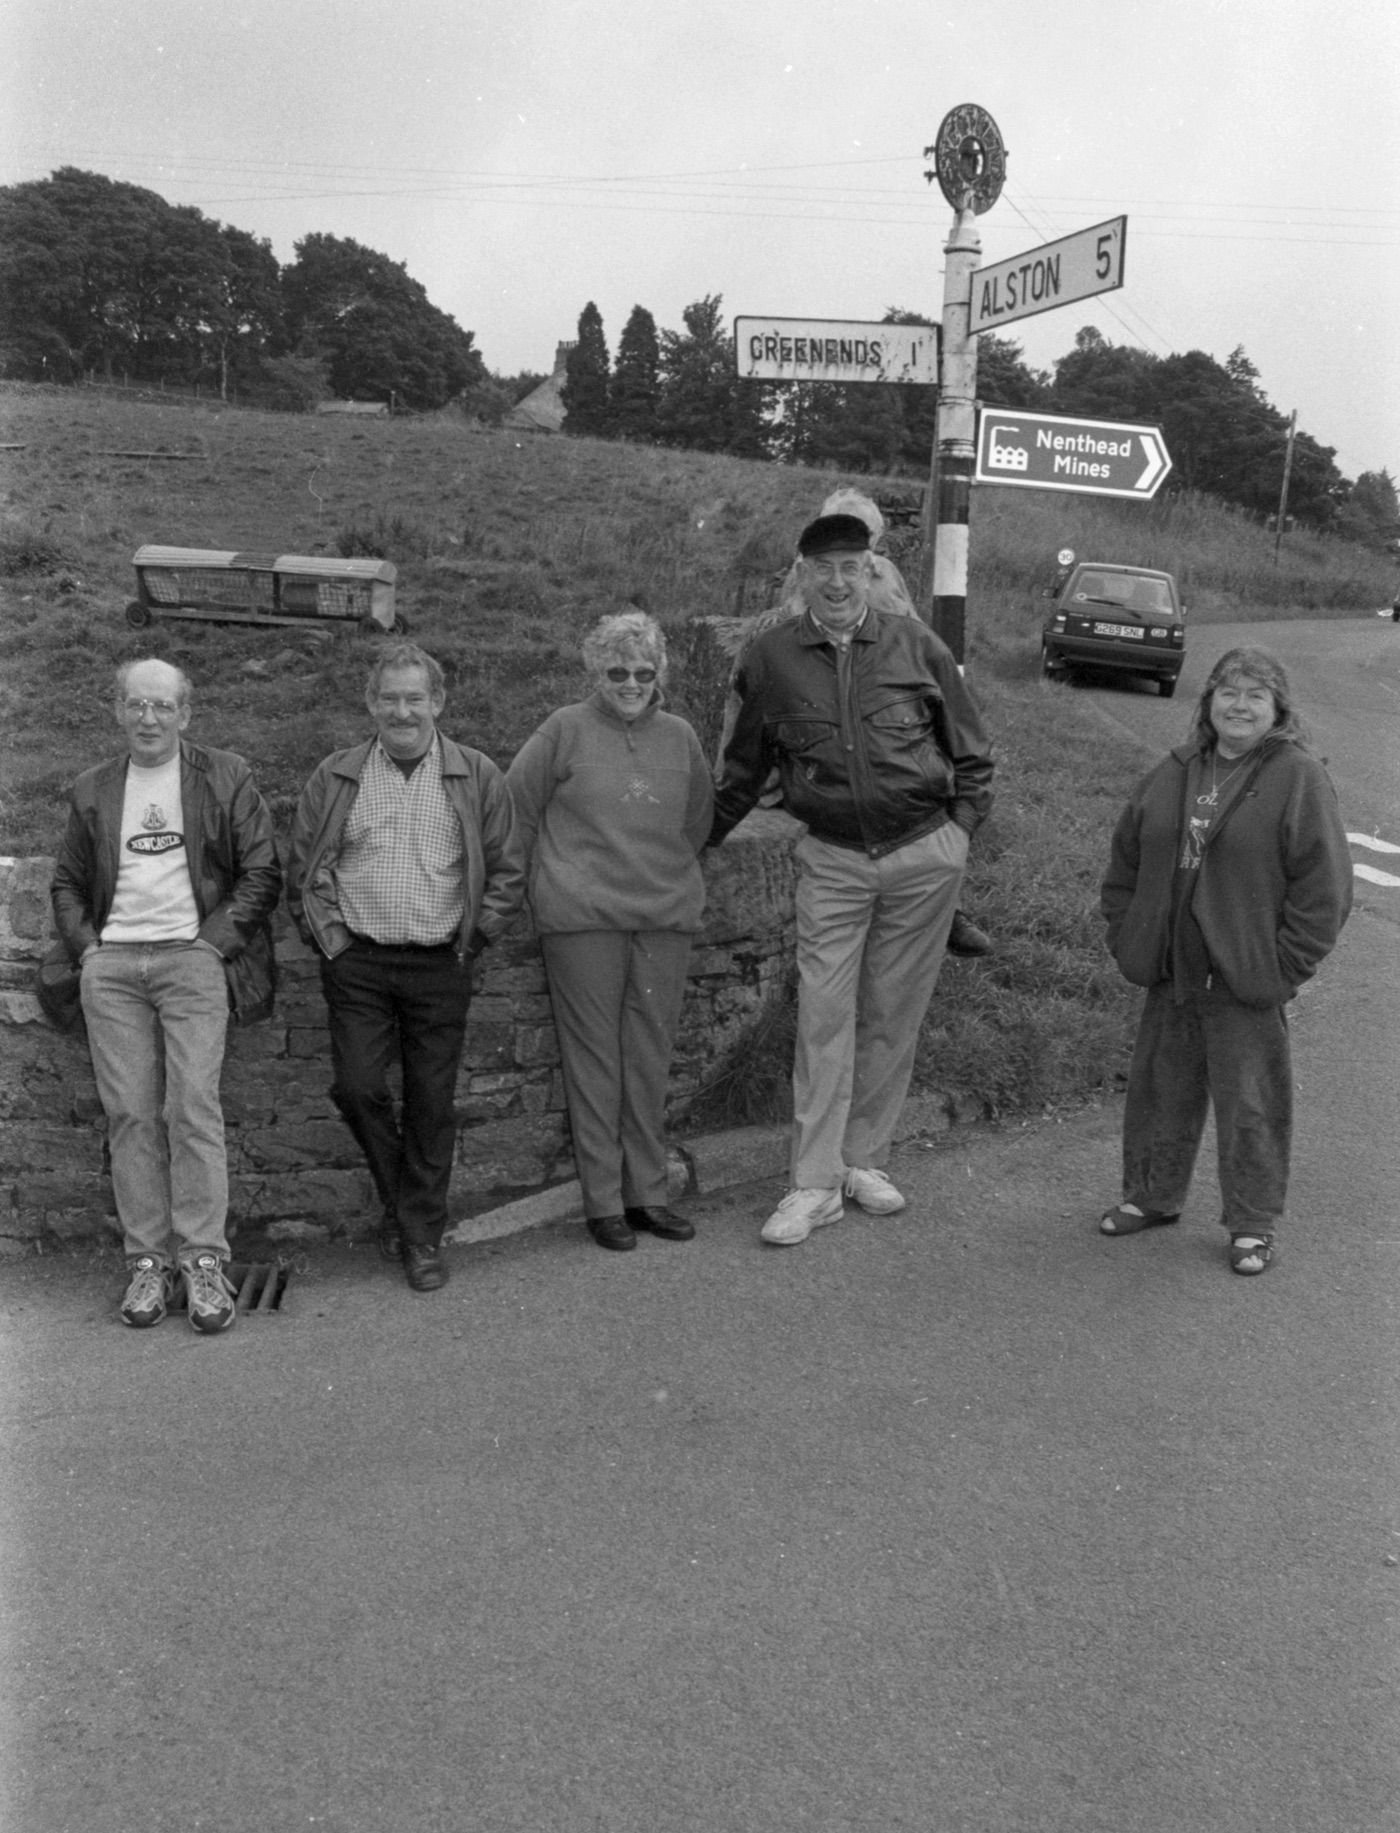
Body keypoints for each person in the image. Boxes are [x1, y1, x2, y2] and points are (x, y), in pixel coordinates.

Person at [710, 511, 995, 1246]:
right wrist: (693, 844)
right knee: (824, 1015)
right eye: (822, 569)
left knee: (892, 1012)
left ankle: (863, 1160)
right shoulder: (770, 658)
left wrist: (958, 835)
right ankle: (813, 1183)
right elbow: (742, 771)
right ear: (801, 576)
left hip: (923, 853)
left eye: (850, 567)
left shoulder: (917, 646)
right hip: (833, 859)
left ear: (870, 572)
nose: (837, 583)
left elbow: (972, 751)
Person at [1099, 646, 1352, 1275]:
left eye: (1255, 696)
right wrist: (1129, 935)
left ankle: (1252, 1224)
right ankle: (1152, 1196)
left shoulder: (1298, 777)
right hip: (1171, 969)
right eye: (1228, 693)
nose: (1239, 706)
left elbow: (1325, 890)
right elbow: (1126, 859)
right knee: (1160, 1093)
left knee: (1252, 1108)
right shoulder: (1177, 768)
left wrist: (1281, 968)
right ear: (1209, 701)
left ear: (1278, 709)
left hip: (1243, 978)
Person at [50, 658, 281, 1333]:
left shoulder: (225, 775)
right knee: (129, 1114)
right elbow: (66, 881)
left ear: (186, 713)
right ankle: (148, 1263)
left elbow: (262, 870)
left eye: (162, 706)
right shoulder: (93, 787)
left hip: (192, 958)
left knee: (192, 1107)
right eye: (136, 705)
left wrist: (212, 944)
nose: (148, 718)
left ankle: (204, 1260)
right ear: (118, 710)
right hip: (114, 967)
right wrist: (89, 950)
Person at [287, 642, 525, 1293]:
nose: (402, 711)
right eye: (389, 698)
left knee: (430, 1101)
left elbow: (507, 870)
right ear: (371, 703)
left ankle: (419, 1236)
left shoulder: (476, 773)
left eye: (414, 698)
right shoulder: (338, 774)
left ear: (437, 702)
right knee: (357, 1086)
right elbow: (306, 868)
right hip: (358, 960)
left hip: (440, 961)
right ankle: (407, 1206)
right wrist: (332, 944)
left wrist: (476, 938)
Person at [506, 611, 713, 1252]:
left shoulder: (680, 737)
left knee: (649, 1058)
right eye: (617, 672)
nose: (630, 684)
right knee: (593, 1059)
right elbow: (516, 809)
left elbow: (699, 820)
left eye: (643, 674)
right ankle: (603, 1201)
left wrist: (661, 874)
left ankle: (648, 1194)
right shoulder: (563, 729)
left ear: (659, 676)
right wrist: (540, 884)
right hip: (582, 917)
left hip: (662, 915)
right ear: (596, 672)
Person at [725, 487, 992, 959]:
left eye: (861, 542)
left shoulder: (885, 584)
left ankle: (949, 909)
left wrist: (960, 829)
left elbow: (917, 646)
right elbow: (762, 688)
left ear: (873, 547)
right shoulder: (795, 602)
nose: (842, 570)